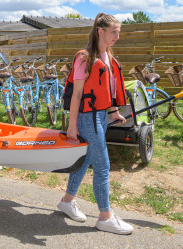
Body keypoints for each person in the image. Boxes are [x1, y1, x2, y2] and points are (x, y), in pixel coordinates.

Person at [57, 13, 134, 235]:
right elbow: (77, 94)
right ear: (100, 31)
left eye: (119, 32)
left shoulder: (107, 56)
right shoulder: (84, 57)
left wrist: (114, 111)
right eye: (114, 32)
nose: (117, 37)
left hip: (101, 115)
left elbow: (107, 89)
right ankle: (105, 217)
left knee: (86, 160)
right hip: (86, 117)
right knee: (102, 166)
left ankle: (67, 201)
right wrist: (72, 125)